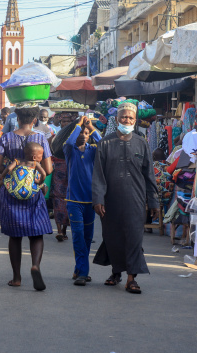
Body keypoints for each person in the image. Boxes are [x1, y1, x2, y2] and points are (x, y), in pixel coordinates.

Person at [92, 102, 159, 294]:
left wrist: (153, 201)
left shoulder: (142, 143)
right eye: (123, 117)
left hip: (135, 200)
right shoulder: (104, 143)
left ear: (135, 121)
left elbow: (149, 175)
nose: (126, 120)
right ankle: (116, 272)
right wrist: (98, 199)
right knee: (112, 237)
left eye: (130, 118)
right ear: (116, 119)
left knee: (134, 237)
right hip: (110, 200)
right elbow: (98, 175)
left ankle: (132, 278)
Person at [0, 106, 53, 291]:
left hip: (11, 191)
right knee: (36, 233)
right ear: (34, 120)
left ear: (16, 118)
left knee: (15, 235)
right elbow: (48, 169)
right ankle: (35, 265)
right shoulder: (40, 138)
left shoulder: (6, 138)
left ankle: (17, 277)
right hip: (34, 191)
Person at [64, 116, 101, 286]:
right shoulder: (70, 150)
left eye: (86, 134)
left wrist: (91, 127)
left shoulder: (93, 150)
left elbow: (104, 145)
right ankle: (83, 273)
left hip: (90, 201)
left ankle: (79, 269)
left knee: (87, 238)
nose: (84, 135)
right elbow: (70, 141)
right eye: (81, 133)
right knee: (78, 235)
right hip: (73, 200)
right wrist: (78, 126)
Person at [51, 112, 75, 242]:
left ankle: (64, 230)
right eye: (63, 122)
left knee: (69, 199)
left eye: (67, 122)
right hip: (59, 169)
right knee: (58, 198)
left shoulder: (78, 137)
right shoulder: (56, 137)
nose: (65, 124)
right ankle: (59, 230)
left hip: (72, 170)